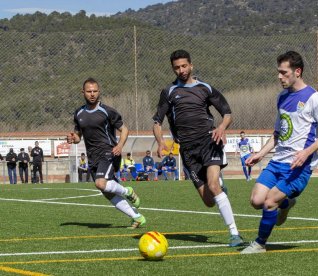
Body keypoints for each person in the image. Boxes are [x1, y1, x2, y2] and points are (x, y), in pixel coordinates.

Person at [240, 51, 318, 254]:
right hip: (277, 162)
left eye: (283, 73)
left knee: (270, 201)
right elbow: (278, 132)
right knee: (256, 201)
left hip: (298, 165)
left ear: (297, 72)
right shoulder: (281, 97)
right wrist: (261, 153)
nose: (279, 77)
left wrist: (306, 153)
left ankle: (259, 243)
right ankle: (288, 203)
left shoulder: (313, 98)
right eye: (278, 72)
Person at [152, 49, 243, 247]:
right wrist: (160, 142)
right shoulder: (168, 92)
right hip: (188, 151)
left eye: (184, 66)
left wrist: (221, 127)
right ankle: (220, 189)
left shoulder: (205, 88)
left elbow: (227, 113)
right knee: (209, 201)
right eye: (177, 67)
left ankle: (234, 234)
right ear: (173, 69)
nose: (181, 70)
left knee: (213, 185)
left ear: (191, 65)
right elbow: (157, 122)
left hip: (209, 142)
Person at [67, 77, 146, 228]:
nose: (92, 94)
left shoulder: (107, 111)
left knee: (100, 183)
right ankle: (137, 217)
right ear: (83, 92)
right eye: (89, 91)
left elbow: (124, 129)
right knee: (108, 192)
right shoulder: (79, 113)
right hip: (93, 157)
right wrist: (73, 138)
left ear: (99, 92)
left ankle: (128, 191)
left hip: (109, 152)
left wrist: (120, 145)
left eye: (95, 91)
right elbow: (78, 136)